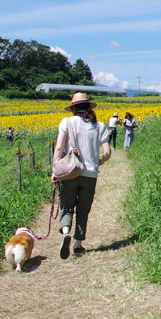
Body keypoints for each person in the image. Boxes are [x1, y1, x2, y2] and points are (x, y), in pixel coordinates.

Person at [52, 92, 110, 259]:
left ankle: (65, 233)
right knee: (83, 210)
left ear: (73, 108)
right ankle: (78, 245)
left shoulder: (67, 122)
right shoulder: (99, 126)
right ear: (88, 107)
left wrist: (54, 171)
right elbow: (107, 152)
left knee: (67, 206)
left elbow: (58, 148)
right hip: (90, 175)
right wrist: (98, 162)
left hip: (70, 172)